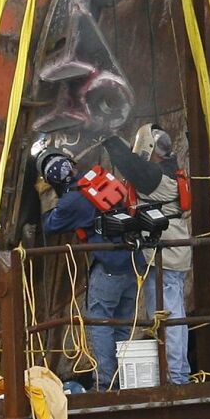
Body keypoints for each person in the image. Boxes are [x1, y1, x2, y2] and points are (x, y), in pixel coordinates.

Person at [37, 146, 149, 391]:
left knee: (99, 322)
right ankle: (124, 380)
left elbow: (49, 225)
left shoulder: (71, 201)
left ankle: (106, 382)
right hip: (133, 261)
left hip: (110, 266)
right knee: (121, 324)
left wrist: (45, 198)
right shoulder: (95, 179)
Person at [102, 126, 191, 385]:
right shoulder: (168, 171)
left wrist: (108, 137)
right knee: (171, 316)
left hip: (166, 257)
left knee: (167, 316)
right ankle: (177, 373)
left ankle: (176, 377)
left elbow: (131, 166)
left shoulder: (156, 177)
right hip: (171, 254)